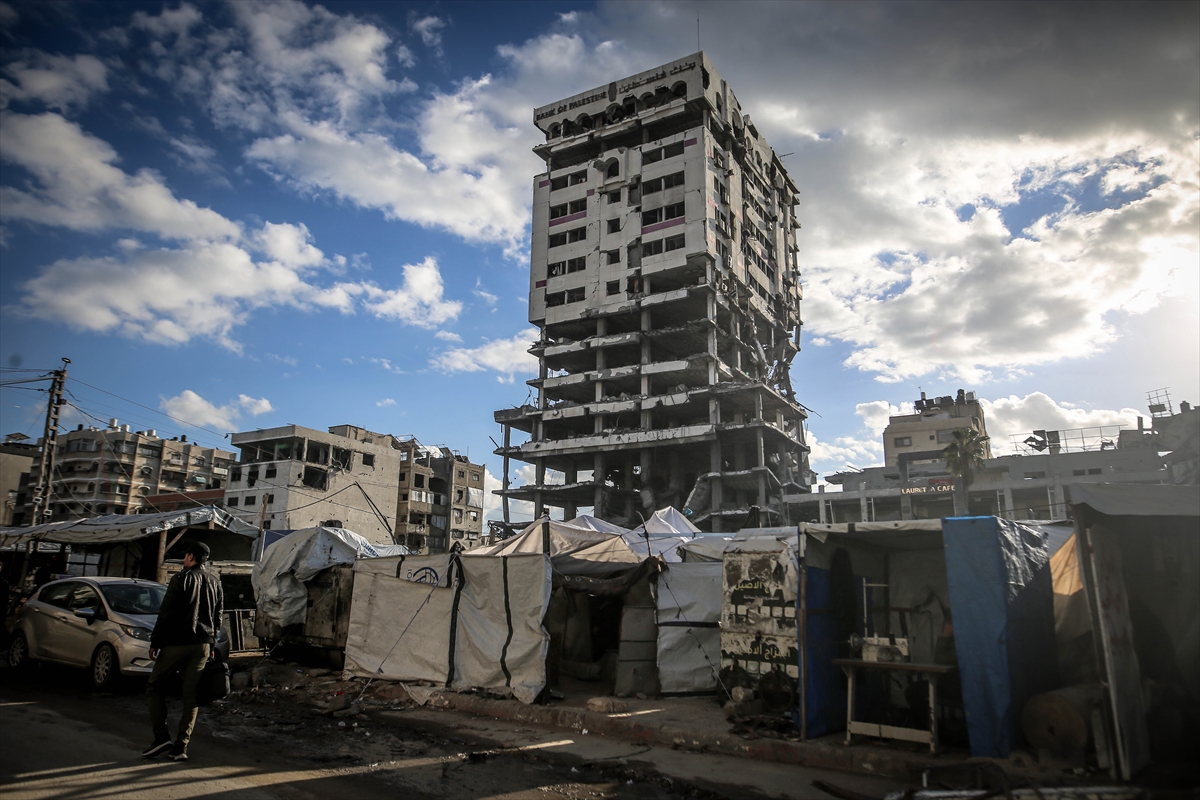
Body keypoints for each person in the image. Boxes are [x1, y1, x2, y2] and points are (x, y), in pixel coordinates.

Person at [142, 541, 223, 762]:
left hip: (177, 643)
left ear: (189, 557)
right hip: (203, 645)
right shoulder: (215, 582)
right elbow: (218, 617)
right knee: (191, 696)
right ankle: (181, 747)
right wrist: (212, 644)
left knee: (154, 685)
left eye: (185, 556)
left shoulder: (181, 579)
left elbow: (165, 613)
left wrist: (155, 642)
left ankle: (161, 737)